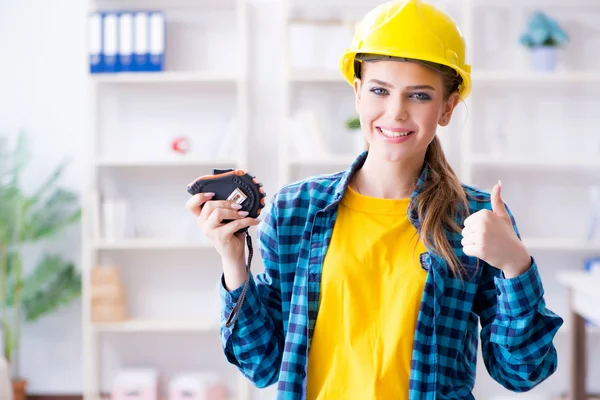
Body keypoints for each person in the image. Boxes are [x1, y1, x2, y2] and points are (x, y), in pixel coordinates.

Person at [186, 0, 563, 398]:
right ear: (358, 94)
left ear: (447, 107)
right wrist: (232, 258)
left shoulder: (475, 219)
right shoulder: (297, 209)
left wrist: (515, 265)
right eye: (380, 90)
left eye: (419, 95)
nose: (396, 112)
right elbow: (262, 364)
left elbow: (522, 372)